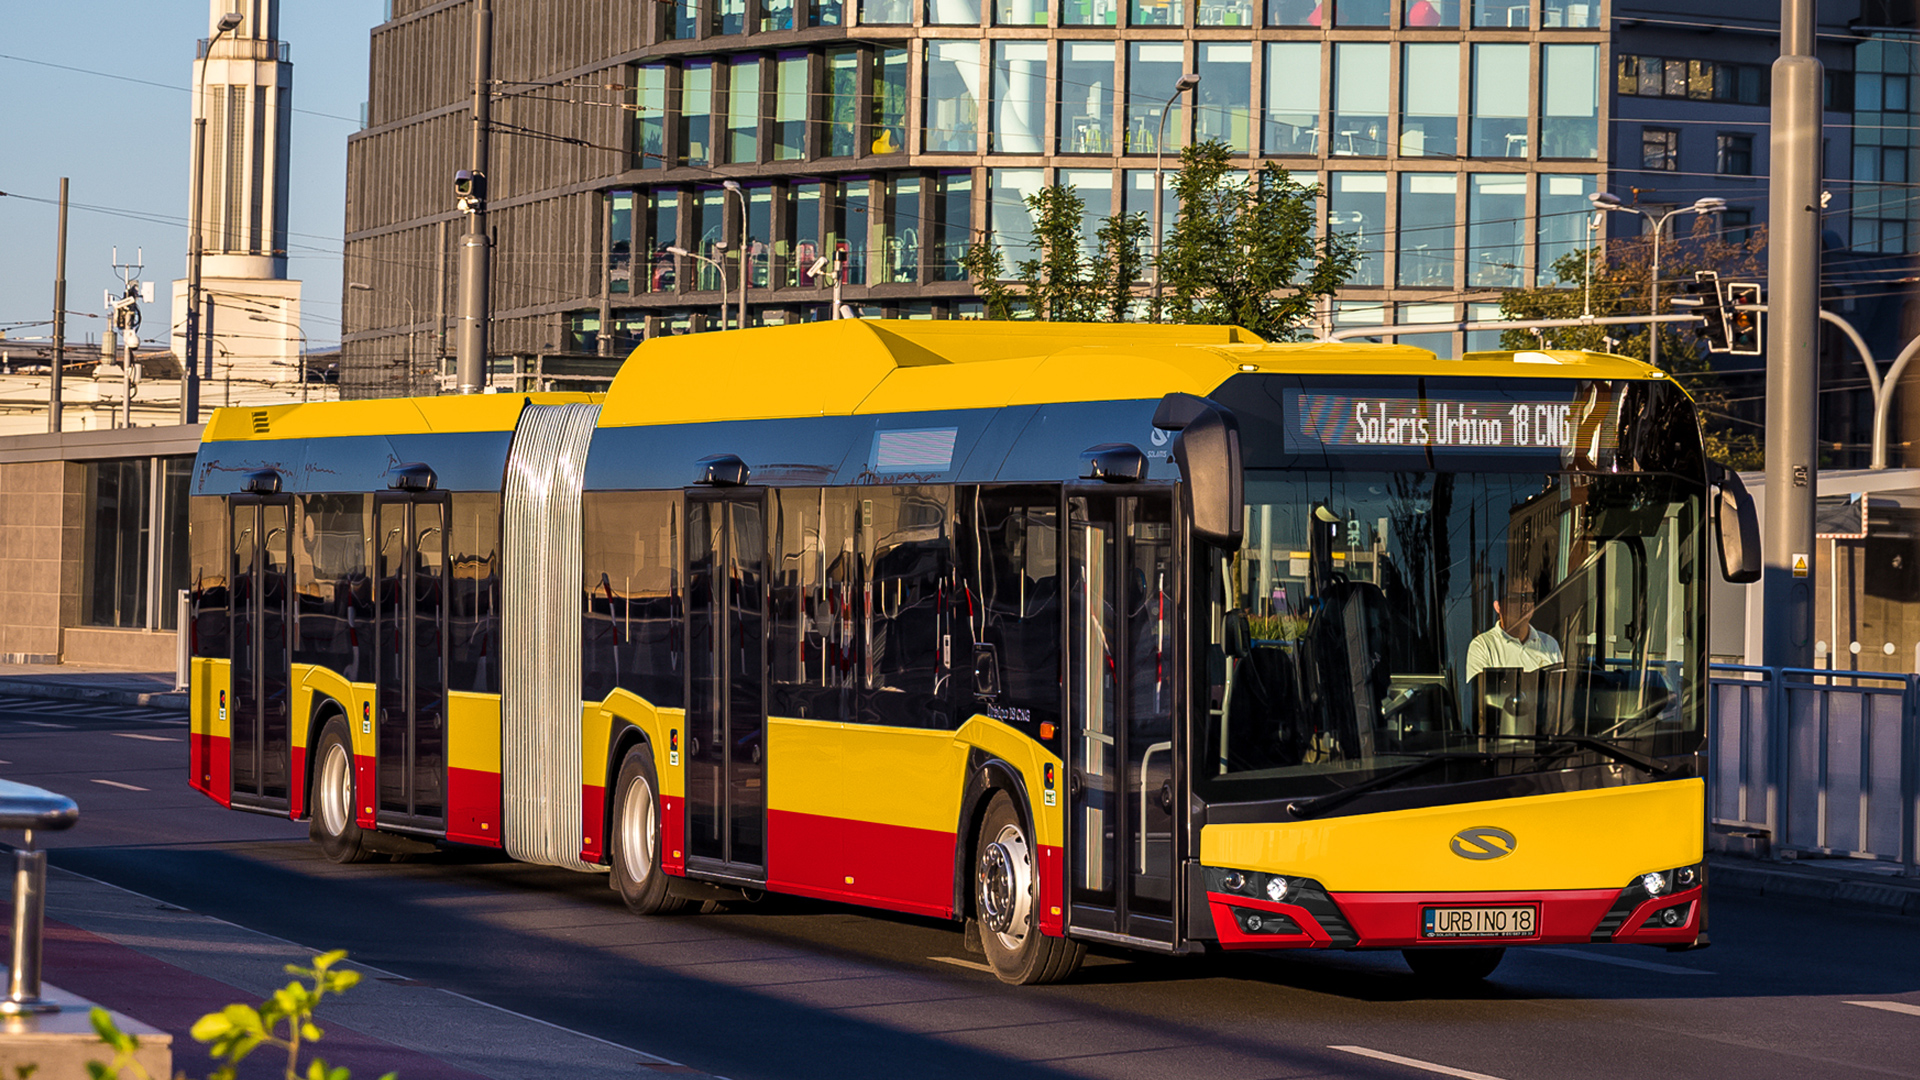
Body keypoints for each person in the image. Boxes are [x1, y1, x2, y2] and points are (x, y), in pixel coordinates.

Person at [1464, 585, 1562, 685]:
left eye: (1528, 597)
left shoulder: (1550, 644)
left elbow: (1560, 690)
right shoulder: (1482, 646)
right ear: (1498, 607)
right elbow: (1479, 694)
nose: (1524, 604)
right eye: (1516, 598)